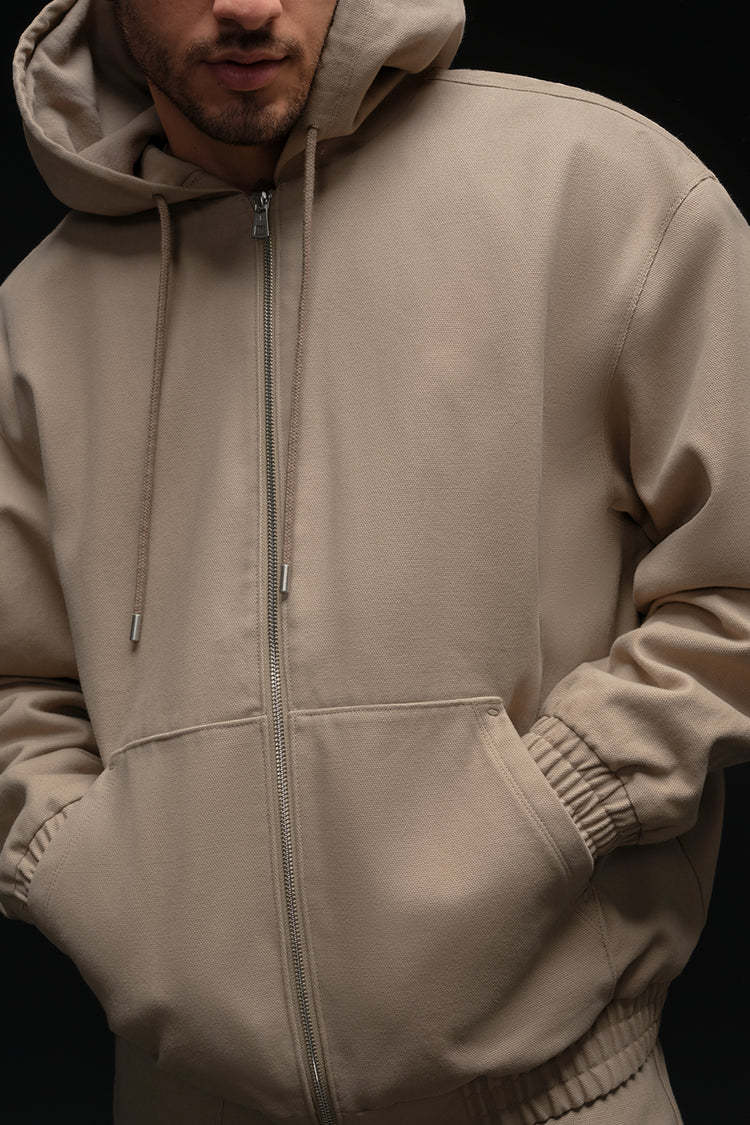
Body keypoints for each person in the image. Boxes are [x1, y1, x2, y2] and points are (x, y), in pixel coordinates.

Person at [1, 0, 748, 1122]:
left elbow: (733, 581)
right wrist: (78, 866)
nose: (250, 5)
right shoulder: (36, 317)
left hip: (556, 1096)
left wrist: (562, 802)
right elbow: (16, 684)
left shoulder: (605, 191)